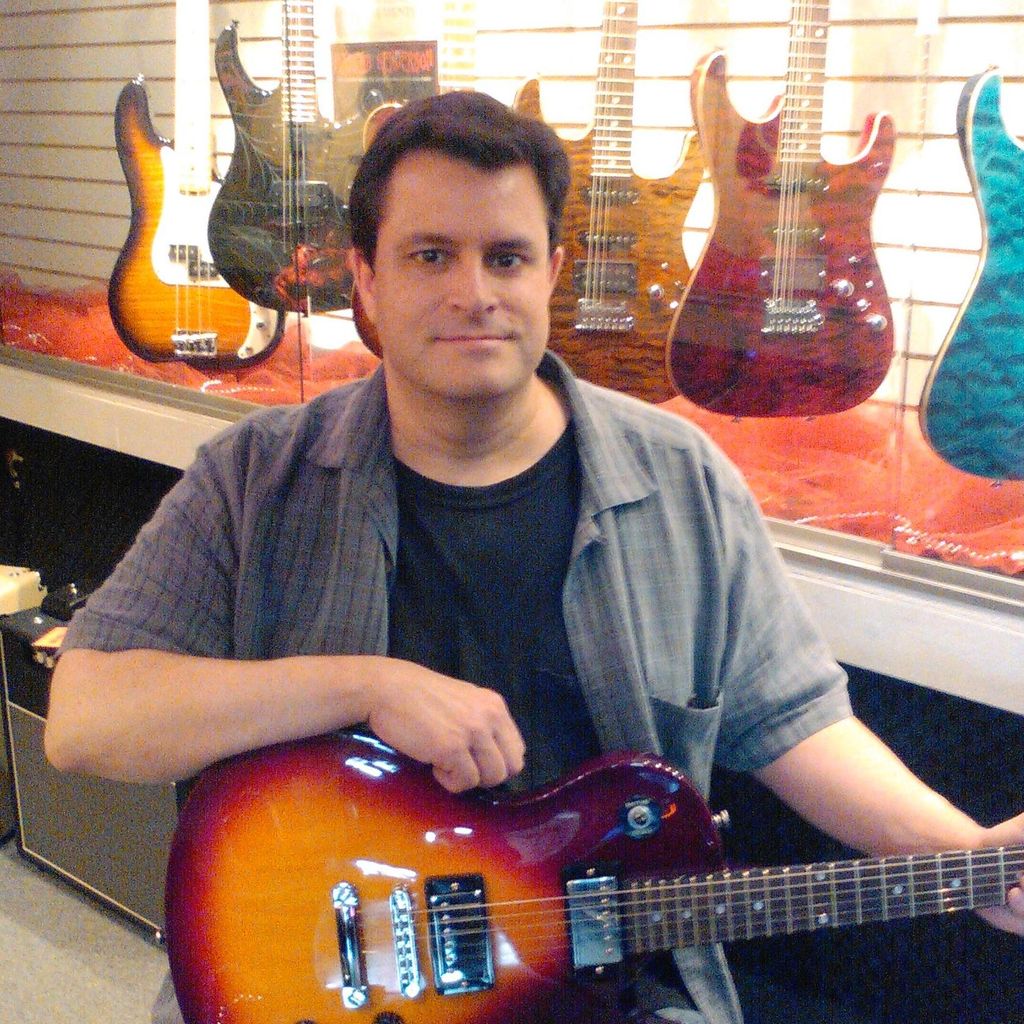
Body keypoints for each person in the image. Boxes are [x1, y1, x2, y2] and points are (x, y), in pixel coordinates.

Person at [45, 90, 1024, 1024]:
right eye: (431, 254)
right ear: (367, 278)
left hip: (617, 990)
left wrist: (973, 857)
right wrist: (364, 685)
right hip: (311, 986)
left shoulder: (682, 478)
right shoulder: (253, 477)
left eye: (506, 257)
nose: (473, 293)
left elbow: (796, 722)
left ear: (552, 271)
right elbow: (86, 721)